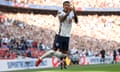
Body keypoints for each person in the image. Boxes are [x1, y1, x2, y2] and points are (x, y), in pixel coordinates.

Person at [35, 1, 78, 68]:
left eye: (68, 5)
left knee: (64, 55)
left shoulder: (71, 13)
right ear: (63, 6)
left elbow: (76, 21)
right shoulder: (60, 11)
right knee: (53, 50)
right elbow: (61, 20)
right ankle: (40, 59)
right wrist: (68, 13)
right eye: (66, 5)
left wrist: (74, 12)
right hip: (60, 35)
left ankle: (59, 60)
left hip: (67, 36)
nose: (67, 7)